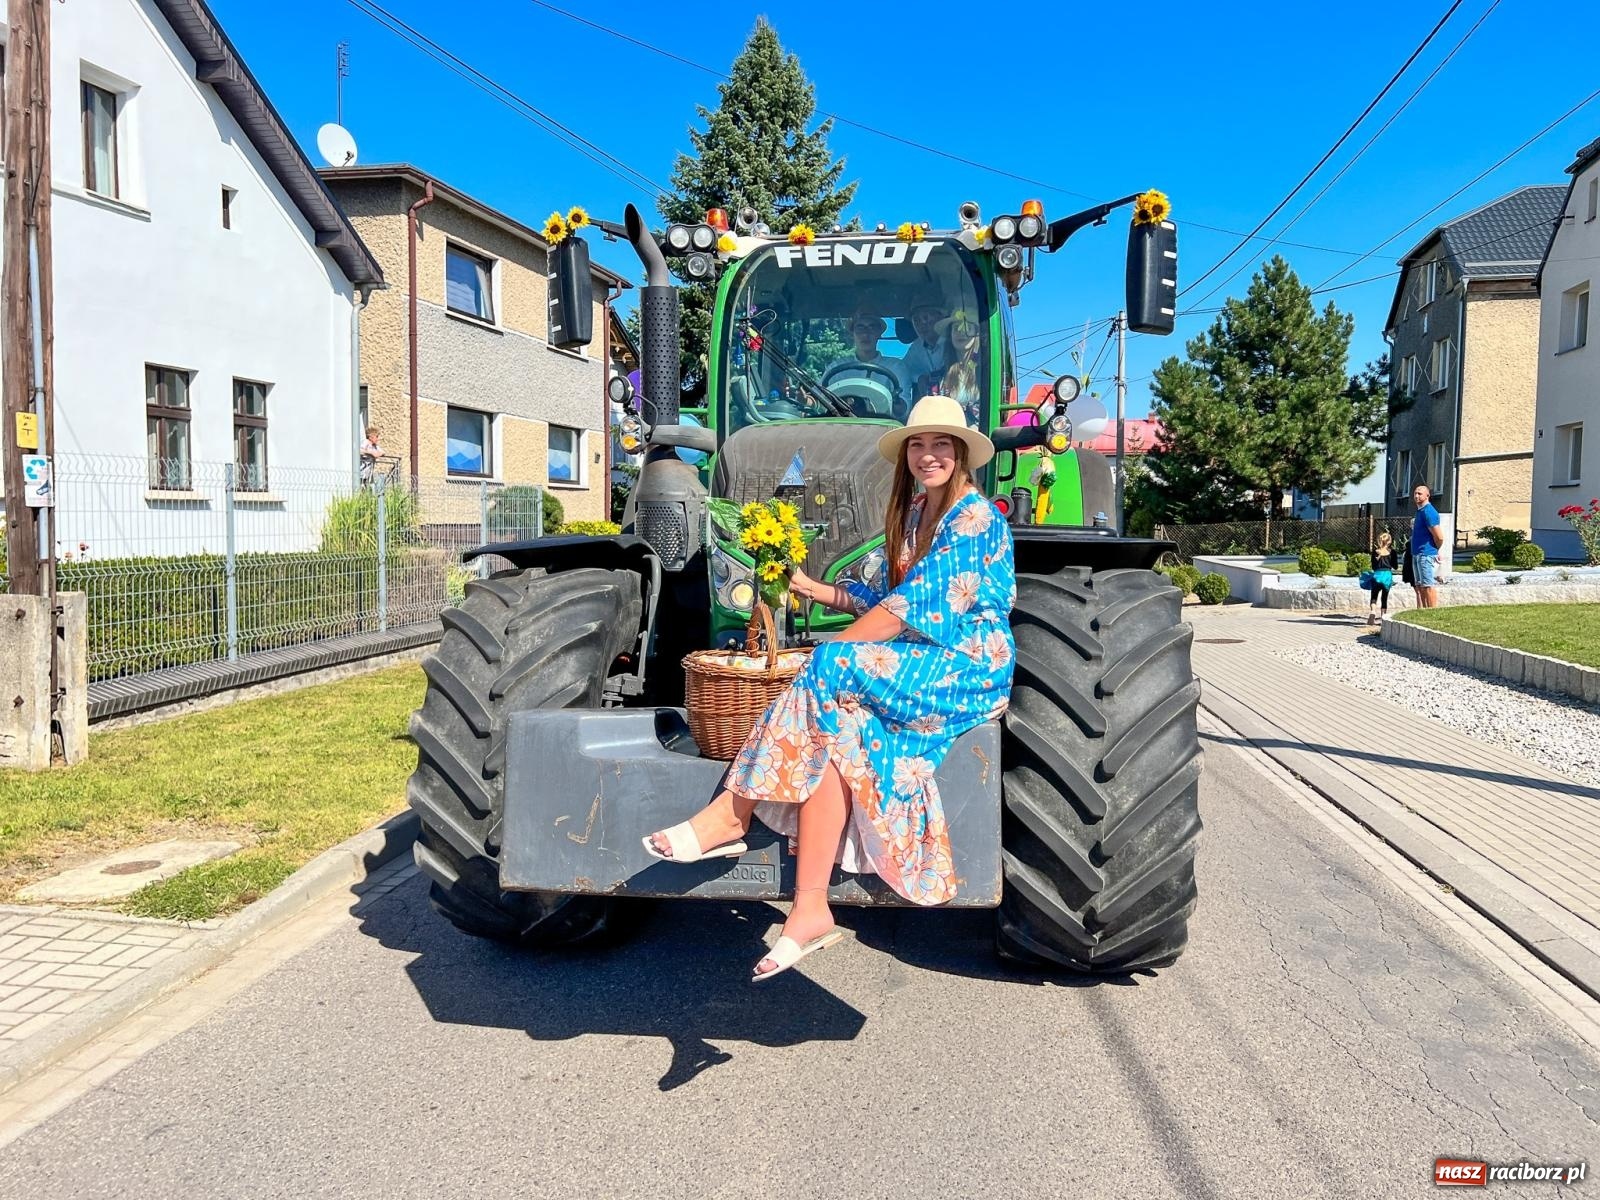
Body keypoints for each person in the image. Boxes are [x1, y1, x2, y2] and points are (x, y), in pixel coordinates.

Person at [643, 395, 1017, 981]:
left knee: (827, 667)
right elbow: (880, 600)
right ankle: (810, 907)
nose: (928, 455)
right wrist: (816, 590)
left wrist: (834, 658)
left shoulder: (974, 519)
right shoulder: (917, 513)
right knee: (834, 734)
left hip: (967, 665)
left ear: (962, 453)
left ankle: (730, 815)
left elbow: (904, 612)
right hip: (918, 657)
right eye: (918, 445)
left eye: (941, 444)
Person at [826, 307, 912, 413]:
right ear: (852, 334)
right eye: (860, 328)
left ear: (879, 333)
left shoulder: (896, 367)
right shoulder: (836, 368)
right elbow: (818, 398)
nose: (865, 334)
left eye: (872, 327)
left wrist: (895, 401)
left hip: (883, 422)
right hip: (842, 422)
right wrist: (808, 400)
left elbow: (904, 411)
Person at [901, 299, 950, 394]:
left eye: (925, 318)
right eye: (916, 320)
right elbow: (903, 370)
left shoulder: (954, 341)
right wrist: (919, 377)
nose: (921, 324)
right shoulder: (917, 347)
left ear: (941, 317)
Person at [1409, 484, 1444, 608]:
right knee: (1420, 586)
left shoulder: (1429, 512)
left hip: (1426, 553)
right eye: (1415, 493)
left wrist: (1435, 549)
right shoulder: (1420, 511)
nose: (1416, 496)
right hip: (1416, 553)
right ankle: (1424, 611)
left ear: (1427, 495)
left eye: (1420, 493)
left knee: (1428, 585)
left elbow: (1439, 537)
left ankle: (1432, 611)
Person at [1367, 530, 1396, 626]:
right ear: (1389, 541)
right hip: (1387, 576)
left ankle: (1373, 612)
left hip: (1377, 575)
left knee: (1374, 596)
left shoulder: (1375, 552)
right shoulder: (1392, 552)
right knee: (1384, 597)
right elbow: (1395, 566)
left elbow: (1373, 566)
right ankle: (1383, 616)